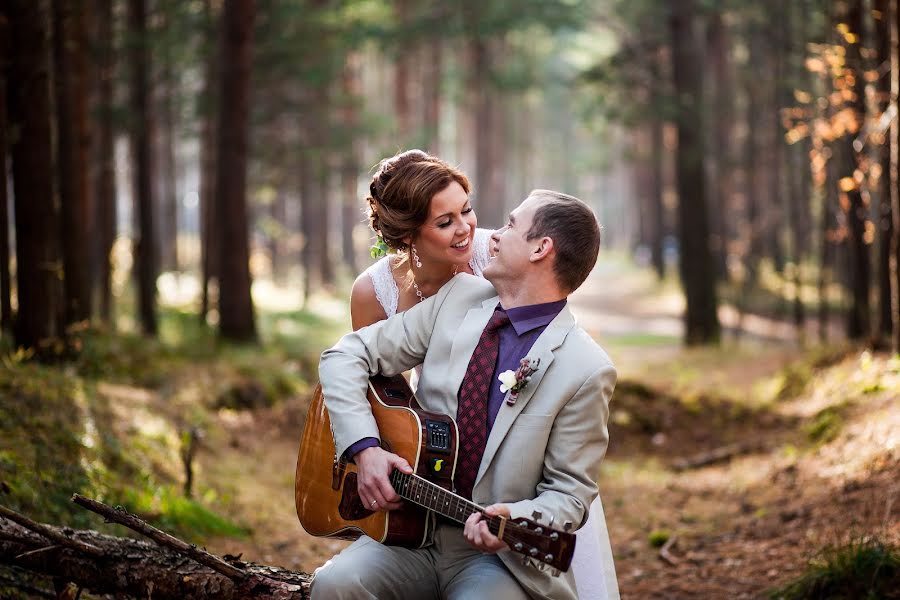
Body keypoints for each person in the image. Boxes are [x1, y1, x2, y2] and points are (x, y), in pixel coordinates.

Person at [312, 188, 618, 600]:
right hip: (410, 536)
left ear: (541, 248)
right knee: (335, 584)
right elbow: (344, 355)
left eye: (511, 225)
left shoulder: (586, 367)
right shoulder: (457, 299)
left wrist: (514, 519)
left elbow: (569, 495)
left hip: (498, 562)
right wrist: (365, 449)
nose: (489, 235)